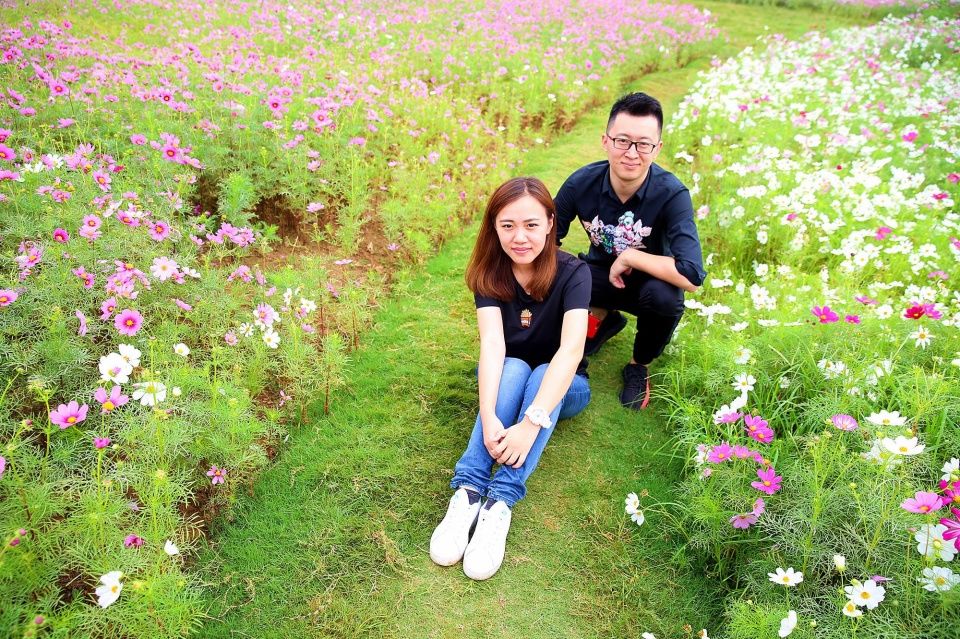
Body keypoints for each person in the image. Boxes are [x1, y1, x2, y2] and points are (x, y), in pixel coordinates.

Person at [430, 176, 591, 581]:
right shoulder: (490, 271)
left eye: (531, 225)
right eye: (508, 225)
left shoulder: (574, 272)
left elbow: (570, 351)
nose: (520, 237)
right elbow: (492, 344)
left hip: (564, 387)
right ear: (494, 226)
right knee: (516, 366)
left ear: (551, 223)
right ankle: (468, 492)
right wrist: (488, 415)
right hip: (508, 377)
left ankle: (499, 501)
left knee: (541, 372)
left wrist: (531, 423)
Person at [554, 92, 705, 410]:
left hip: (649, 284)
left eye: (643, 144)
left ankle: (638, 365)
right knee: (556, 272)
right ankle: (596, 327)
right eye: (622, 141)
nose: (631, 153)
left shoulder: (672, 194)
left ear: (657, 148)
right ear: (605, 141)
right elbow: (545, 242)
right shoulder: (581, 183)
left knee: (666, 297)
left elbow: (692, 275)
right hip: (598, 277)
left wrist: (631, 256)